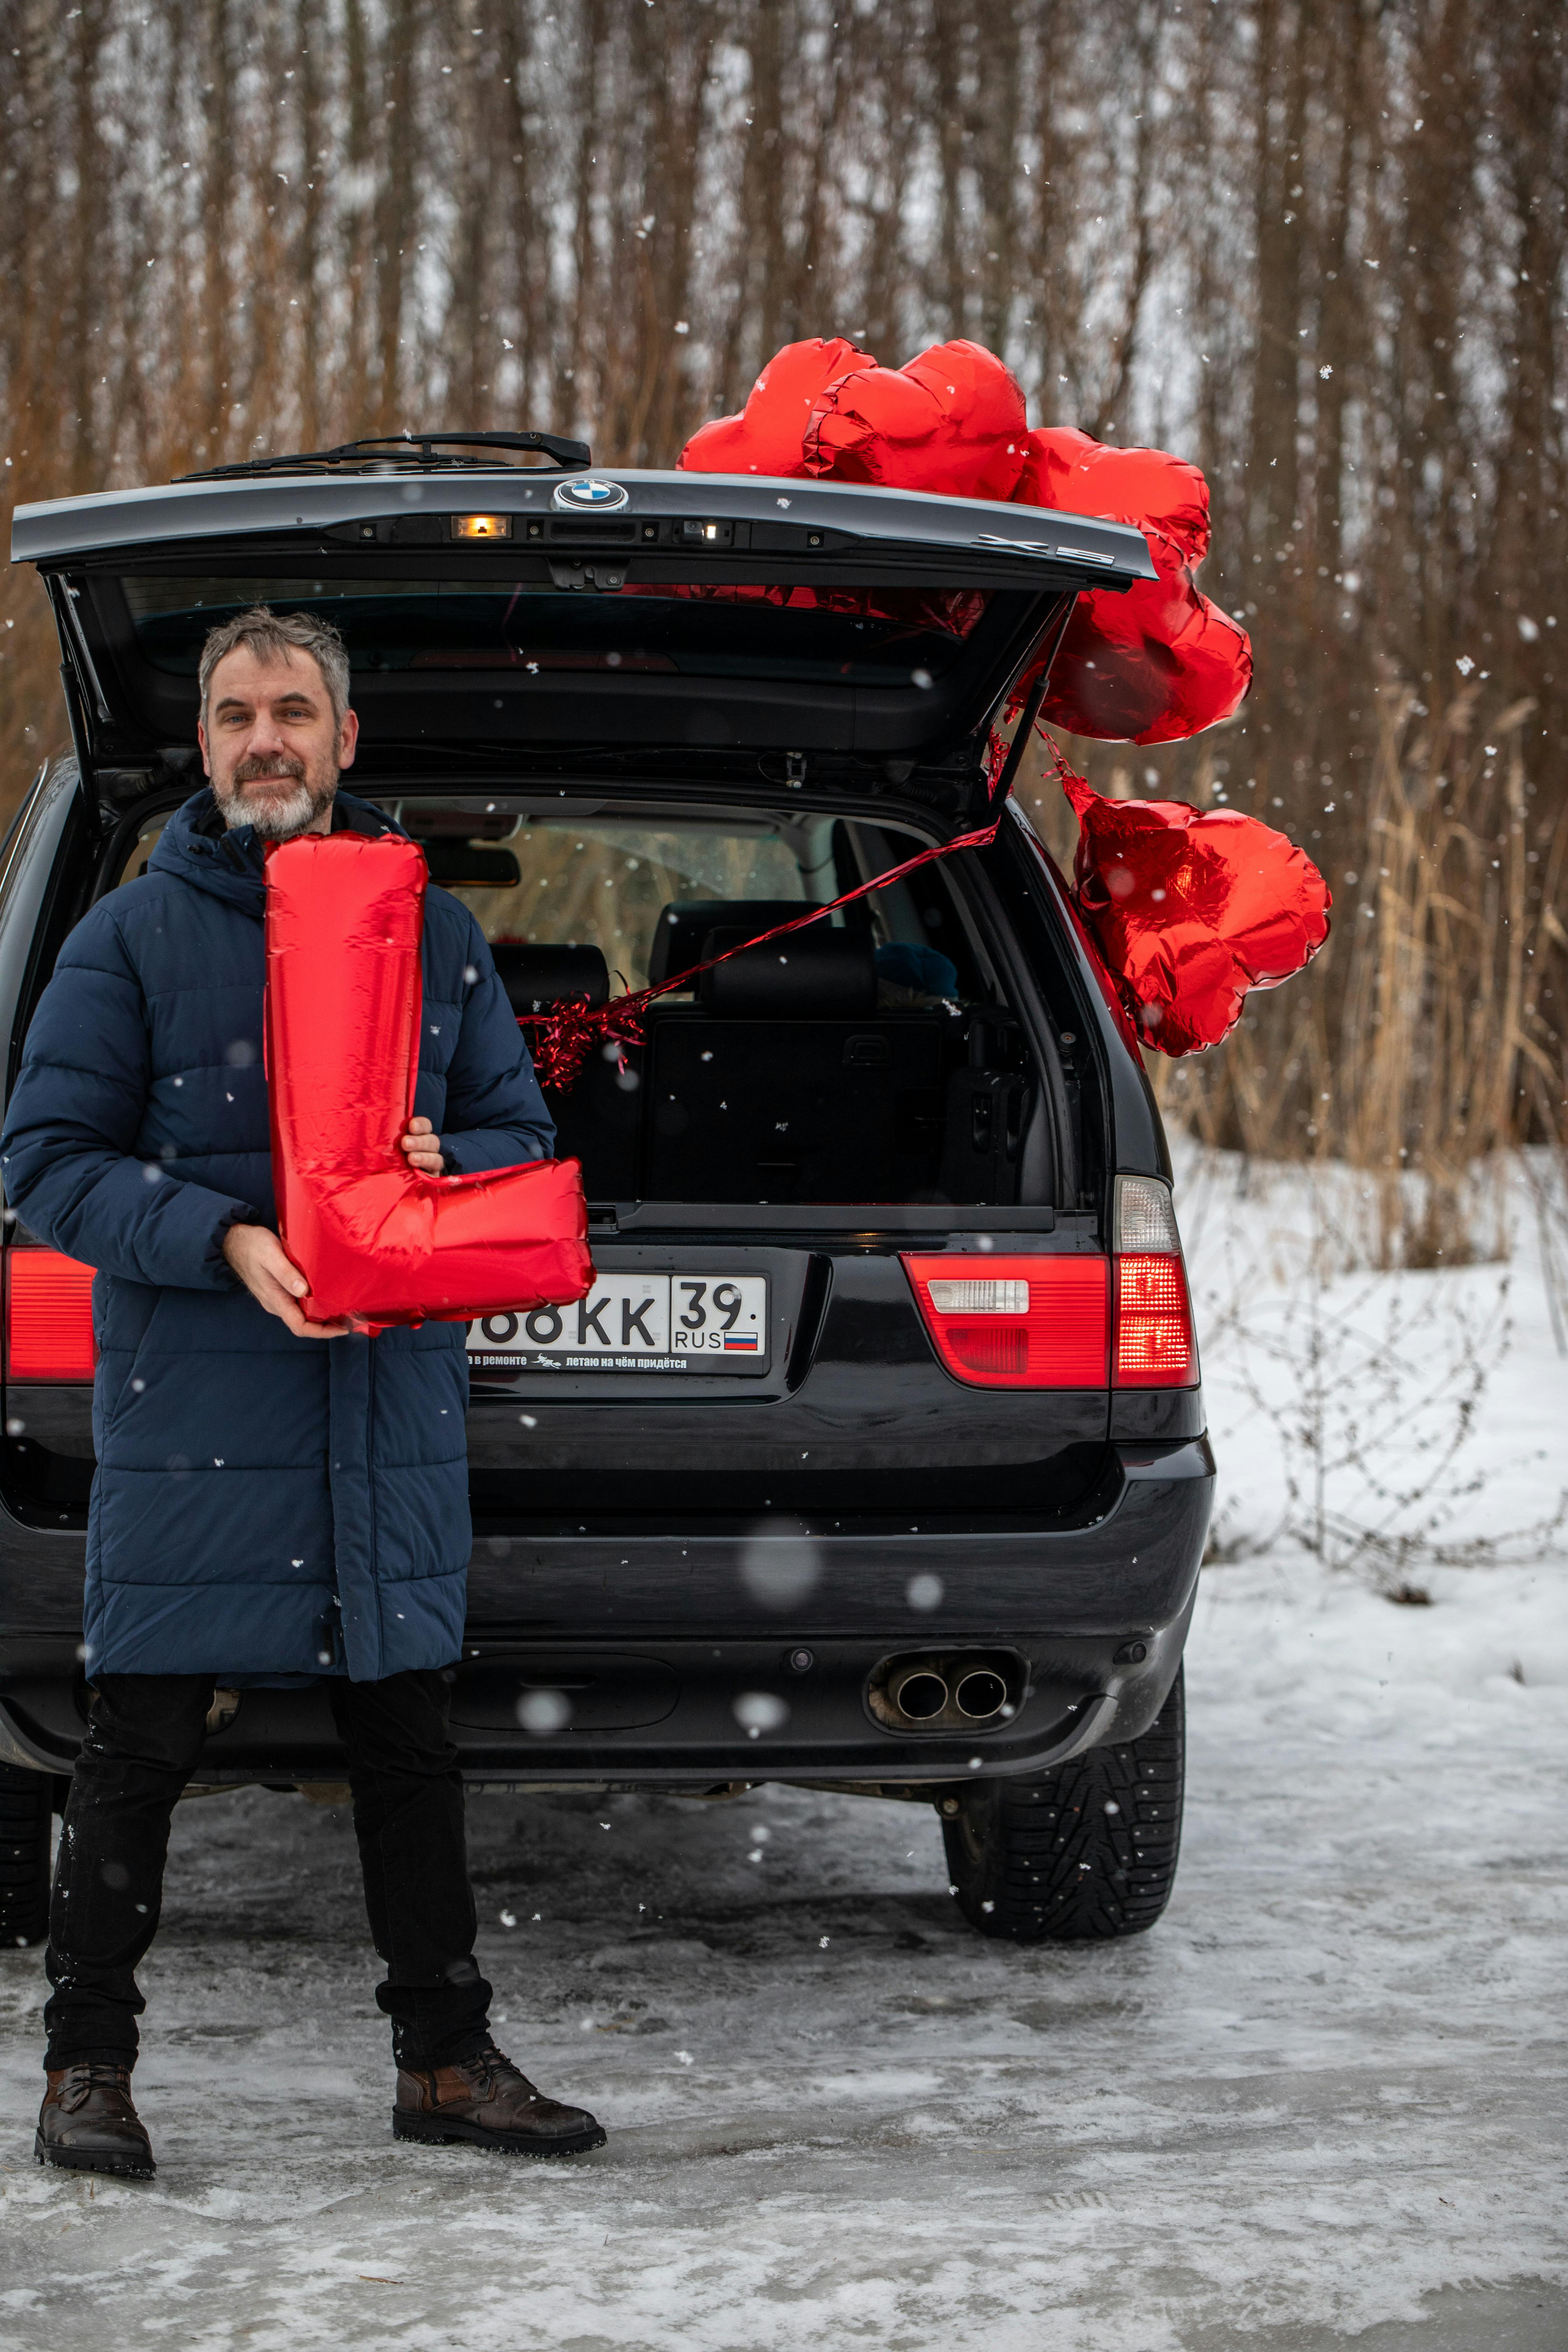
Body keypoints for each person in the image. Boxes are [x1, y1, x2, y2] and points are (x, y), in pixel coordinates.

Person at [1, 607, 605, 2177]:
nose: (263, 737)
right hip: (199, 1414)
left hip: (380, 1413)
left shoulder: (434, 937)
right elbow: (46, 1168)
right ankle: (87, 2069)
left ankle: (448, 2065)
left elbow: (518, 1143)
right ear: (202, 746)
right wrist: (217, 1233)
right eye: (233, 714)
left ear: (345, 741)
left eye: (292, 710)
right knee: (136, 1747)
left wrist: (445, 1161)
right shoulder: (128, 936)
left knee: (408, 1745)